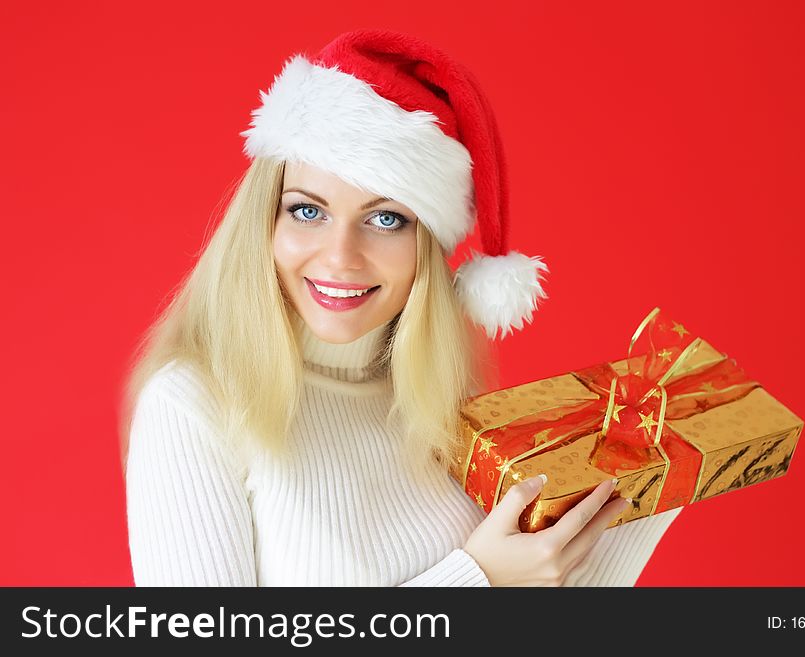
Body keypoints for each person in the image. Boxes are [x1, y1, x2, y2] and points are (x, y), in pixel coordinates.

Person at [121, 29, 682, 587]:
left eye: (385, 219)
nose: (340, 258)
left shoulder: (435, 403)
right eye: (306, 211)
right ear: (263, 221)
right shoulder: (193, 405)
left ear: (430, 252)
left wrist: (647, 488)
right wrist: (479, 580)